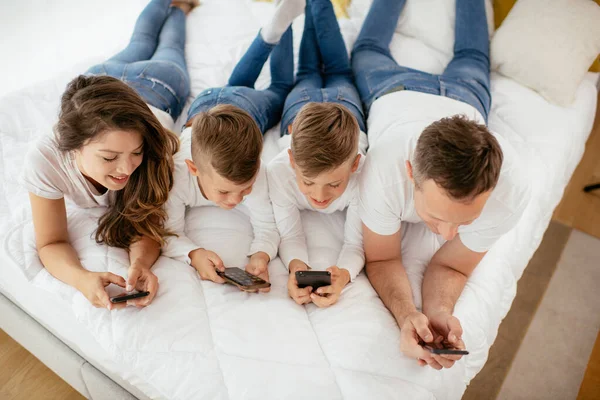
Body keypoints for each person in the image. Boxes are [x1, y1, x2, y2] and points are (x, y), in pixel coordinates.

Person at [351, 0, 530, 369]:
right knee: (368, 50)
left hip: (464, 96)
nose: (449, 236)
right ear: (409, 172)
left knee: (470, 54)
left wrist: (439, 312)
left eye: (464, 222)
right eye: (436, 216)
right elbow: (382, 257)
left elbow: (452, 266)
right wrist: (405, 315)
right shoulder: (383, 167)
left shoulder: (511, 190)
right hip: (393, 87)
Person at [22, 0, 196, 310]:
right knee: (141, 41)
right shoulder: (44, 160)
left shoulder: (155, 154)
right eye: (109, 157)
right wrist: (82, 278)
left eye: (136, 152)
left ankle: (179, 7)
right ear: (74, 146)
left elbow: (146, 224)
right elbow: (51, 242)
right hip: (101, 83)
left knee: (170, 44)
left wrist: (141, 264)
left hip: (160, 85)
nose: (126, 168)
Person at [161, 0, 303, 291]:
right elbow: (167, 231)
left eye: (245, 189)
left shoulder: (255, 171)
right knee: (253, 88)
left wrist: (261, 256)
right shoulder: (176, 175)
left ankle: (278, 29)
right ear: (193, 168)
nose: (236, 200)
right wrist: (193, 253)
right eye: (225, 191)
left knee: (276, 90)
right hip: (214, 106)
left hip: (231, 107)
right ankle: (273, 32)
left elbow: (267, 225)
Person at [267, 0, 366, 308]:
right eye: (307, 182)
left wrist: (344, 275)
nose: (319, 196)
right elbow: (290, 234)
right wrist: (297, 267)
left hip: (342, 110)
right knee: (322, 69)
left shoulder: (366, 175)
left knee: (324, 69)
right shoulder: (278, 172)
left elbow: (356, 241)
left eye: (334, 185)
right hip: (310, 107)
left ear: (355, 165)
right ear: (292, 161)